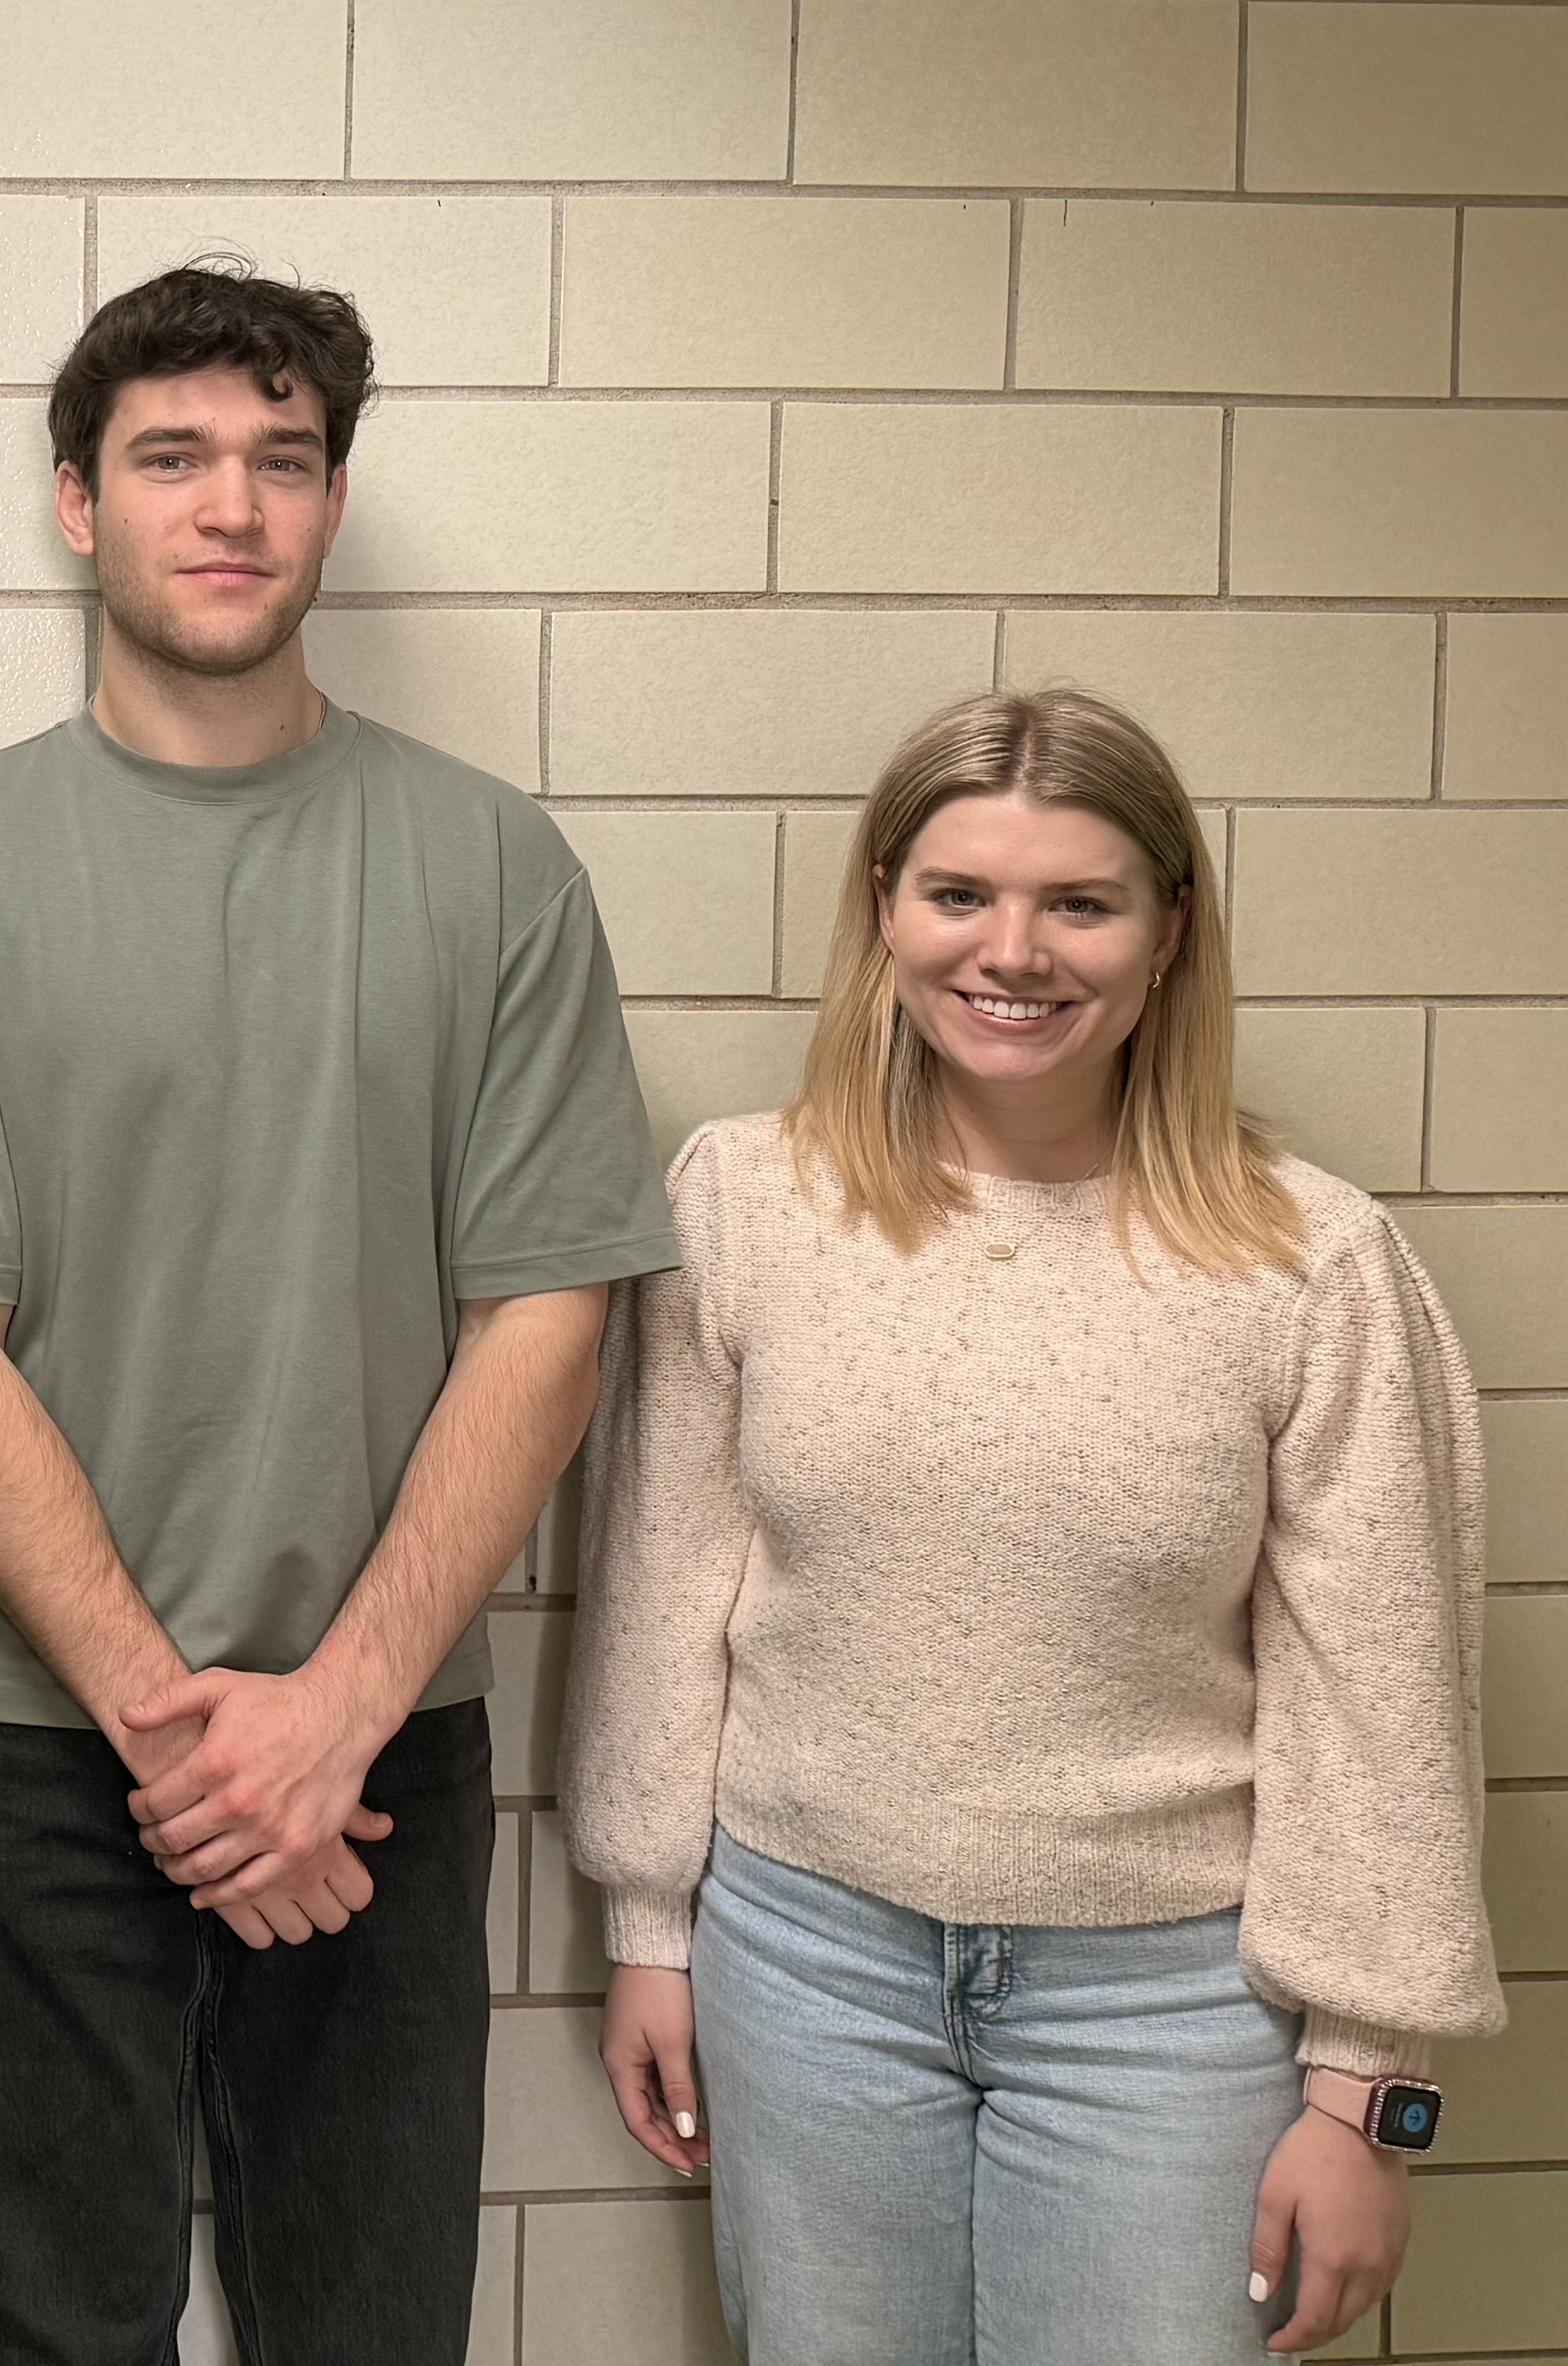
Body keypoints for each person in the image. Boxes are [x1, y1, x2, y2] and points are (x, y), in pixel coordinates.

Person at [0, 259, 680, 2364]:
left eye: (281, 461)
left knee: (368, 2323)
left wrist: (330, 1714)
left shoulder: (493, 870)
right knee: (39, 2321)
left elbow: (546, 1322)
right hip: (24, 1748)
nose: (230, 503)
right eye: (171, 455)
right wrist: (180, 1738)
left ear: (330, 506)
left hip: (379, 1747)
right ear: (73, 502)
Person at [563, 685, 1499, 2362]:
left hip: (1174, 2010)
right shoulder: (743, 1201)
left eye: (1078, 901)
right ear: (882, 913)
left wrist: (1368, 2096)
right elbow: (660, 1591)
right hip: (806, 1966)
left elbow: (1384, 1707)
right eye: (958, 895)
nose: (1014, 951)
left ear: (1166, 935)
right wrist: (648, 1928)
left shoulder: (1309, 1262)